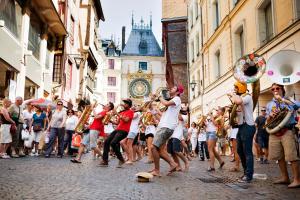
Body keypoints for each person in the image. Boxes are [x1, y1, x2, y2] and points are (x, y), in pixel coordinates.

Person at [266, 83, 300, 188]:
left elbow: (297, 106)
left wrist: (282, 100)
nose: (275, 90)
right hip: (274, 132)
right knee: (278, 156)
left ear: (282, 89)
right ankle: (285, 177)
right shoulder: (269, 104)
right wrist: (270, 116)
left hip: (287, 130)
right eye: (273, 89)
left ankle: (297, 180)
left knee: (291, 156)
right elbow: (267, 120)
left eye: (277, 88)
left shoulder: (288, 99)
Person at [148, 85, 183, 176]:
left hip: (166, 127)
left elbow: (166, 103)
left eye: (173, 88)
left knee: (153, 147)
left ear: (178, 92)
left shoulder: (177, 99)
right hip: (164, 126)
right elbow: (162, 116)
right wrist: (153, 110)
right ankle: (173, 164)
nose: (170, 89)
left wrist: (159, 96)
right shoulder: (171, 105)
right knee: (160, 150)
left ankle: (157, 170)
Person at [227, 81, 256, 183]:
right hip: (241, 126)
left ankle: (249, 175)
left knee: (247, 151)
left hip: (248, 126)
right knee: (240, 150)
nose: (234, 89)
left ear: (240, 88)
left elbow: (239, 101)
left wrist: (232, 94)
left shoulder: (247, 96)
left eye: (236, 88)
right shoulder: (238, 97)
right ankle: (245, 172)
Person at [100, 99, 134, 168]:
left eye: (125, 103)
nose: (124, 104)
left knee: (113, 143)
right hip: (118, 129)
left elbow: (126, 120)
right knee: (106, 141)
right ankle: (105, 161)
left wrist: (117, 114)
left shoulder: (131, 112)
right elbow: (117, 123)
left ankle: (121, 159)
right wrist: (110, 120)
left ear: (129, 105)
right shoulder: (122, 112)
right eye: (124, 103)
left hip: (124, 131)